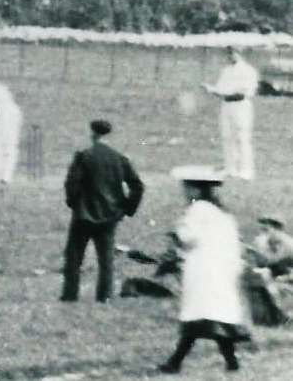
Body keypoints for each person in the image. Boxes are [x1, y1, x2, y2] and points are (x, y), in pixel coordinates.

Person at [157, 166, 250, 374]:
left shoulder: (197, 210)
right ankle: (231, 361)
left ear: (196, 190)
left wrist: (176, 233)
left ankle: (175, 362)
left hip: (202, 270)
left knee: (199, 316)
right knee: (215, 317)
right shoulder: (222, 213)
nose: (185, 192)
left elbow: (187, 238)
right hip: (220, 270)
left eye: (187, 187)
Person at [60, 119, 145, 302]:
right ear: (109, 136)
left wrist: (74, 203)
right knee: (106, 261)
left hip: (83, 215)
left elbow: (71, 183)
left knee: (74, 258)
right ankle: (104, 296)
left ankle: (69, 295)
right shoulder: (119, 158)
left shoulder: (84, 156)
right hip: (110, 216)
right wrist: (127, 208)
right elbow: (137, 186)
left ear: (93, 135)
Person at [203, 48, 259, 181]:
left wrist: (220, 91)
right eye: (229, 52)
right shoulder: (226, 71)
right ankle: (231, 168)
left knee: (242, 137)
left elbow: (241, 92)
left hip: (240, 105)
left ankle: (246, 170)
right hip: (227, 105)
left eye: (235, 52)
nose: (231, 55)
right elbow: (220, 89)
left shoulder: (248, 71)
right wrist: (211, 89)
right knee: (227, 137)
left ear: (241, 53)